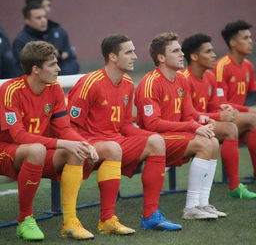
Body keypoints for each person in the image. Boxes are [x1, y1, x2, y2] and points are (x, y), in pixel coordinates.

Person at [67, 34, 182, 232]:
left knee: (156, 142)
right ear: (112, 57)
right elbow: (70, 126)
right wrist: (84, 146)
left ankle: (151, 216)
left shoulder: (128, 83)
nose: (135, 56)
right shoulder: (90, 83)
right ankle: (107, 220)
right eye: (129, 52)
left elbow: (126, 125)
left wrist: (149, 136)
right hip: (88, 144)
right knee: (113, 148)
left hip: (116, 142)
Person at [0, 41, 98, 241]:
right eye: (52, 64)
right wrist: (62, 143)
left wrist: (83, 144)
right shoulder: (10, 90)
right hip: (6, 151)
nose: (59, 69)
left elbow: (63, 128)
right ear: (35, 69)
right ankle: (25, 219)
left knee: (75, 151)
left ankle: (70, 222)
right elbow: (19, 137)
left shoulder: (53, 88)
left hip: (38, 151)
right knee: (36, 149)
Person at [135, 32, 226, 220]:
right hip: (152, 139)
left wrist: (202, 120)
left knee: (213, 141)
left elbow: (189, 114)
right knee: (203, 143)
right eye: (175, 51)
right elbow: (153, 124)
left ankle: (203, 203)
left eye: (180, 50)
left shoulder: (181, 79)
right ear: (161, 58)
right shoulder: (150, 82)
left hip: (173, 136)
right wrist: (193, 127)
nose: (181, 54)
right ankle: (190, 208)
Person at [180, 33, 256, 198]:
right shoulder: (184, 79)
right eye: (208, 51)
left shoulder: (210, 76)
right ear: (194, 56)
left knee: (241, 122)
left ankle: (236, 185)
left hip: (204, 124)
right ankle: (234, 186)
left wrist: (224, 110)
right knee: (231, 127)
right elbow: (186, 115)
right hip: (187, 127)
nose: (214, 55)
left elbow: (214, 107)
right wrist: (221, 116)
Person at [214, 20, 256, 179]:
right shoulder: (221, 66)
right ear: (232, 42)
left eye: (250, 37)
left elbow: (252, 96)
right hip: (222, 119)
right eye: (245, 38)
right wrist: (249, 111)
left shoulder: (248, 66)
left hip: (242, 120)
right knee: (254, 118)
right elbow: (220, 104)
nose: (250, 41)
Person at [13, 3, 79, 76]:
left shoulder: (59, 31)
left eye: (45, 17)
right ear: (27, 20)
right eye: (38, 18)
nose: (43, 20)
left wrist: (60, 77)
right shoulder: (20, 41)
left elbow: (71, 59)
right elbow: (23, 69)